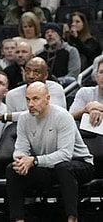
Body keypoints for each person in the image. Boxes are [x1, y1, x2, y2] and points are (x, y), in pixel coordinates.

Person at [6, 82, 94, 222]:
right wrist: (21, 161)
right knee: (12, 169)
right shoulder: (24, 118)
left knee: (63, 168)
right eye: (28, 99)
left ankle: (72, 218)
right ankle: (18, 219)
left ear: (47, 99)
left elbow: (65, 154)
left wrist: (34, 161)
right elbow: (20, 148)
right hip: (47, 165)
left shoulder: (62, 116)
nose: (30, 104)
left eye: (35, 99)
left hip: (79, 163)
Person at [69, 59, 103, 125]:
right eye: (101, 72)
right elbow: (70, 116)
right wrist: (86, 110)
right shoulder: (84, 92)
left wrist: (100, 109)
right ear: (96, 76)